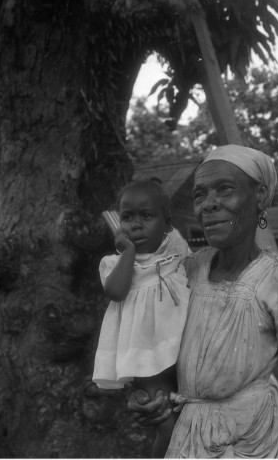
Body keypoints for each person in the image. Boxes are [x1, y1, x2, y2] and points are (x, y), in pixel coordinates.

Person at [128, 145, 278, 458]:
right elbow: (163, 356)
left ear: (259, 196)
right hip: (190, 441)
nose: (209, 205)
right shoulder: (186, 272)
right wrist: (153, 399)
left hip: (257, 442)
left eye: (224, 190)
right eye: (200, 194)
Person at [93, 178, 191, 458]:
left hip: (181, 351)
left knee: (191, 419)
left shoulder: (175, 253)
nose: (135, 224)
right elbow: (115, 291)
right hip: (146, 364)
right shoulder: (115, 263)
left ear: (168, 224)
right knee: (169, 428)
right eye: (127, 217)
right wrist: (130, 253)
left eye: (146, 216)